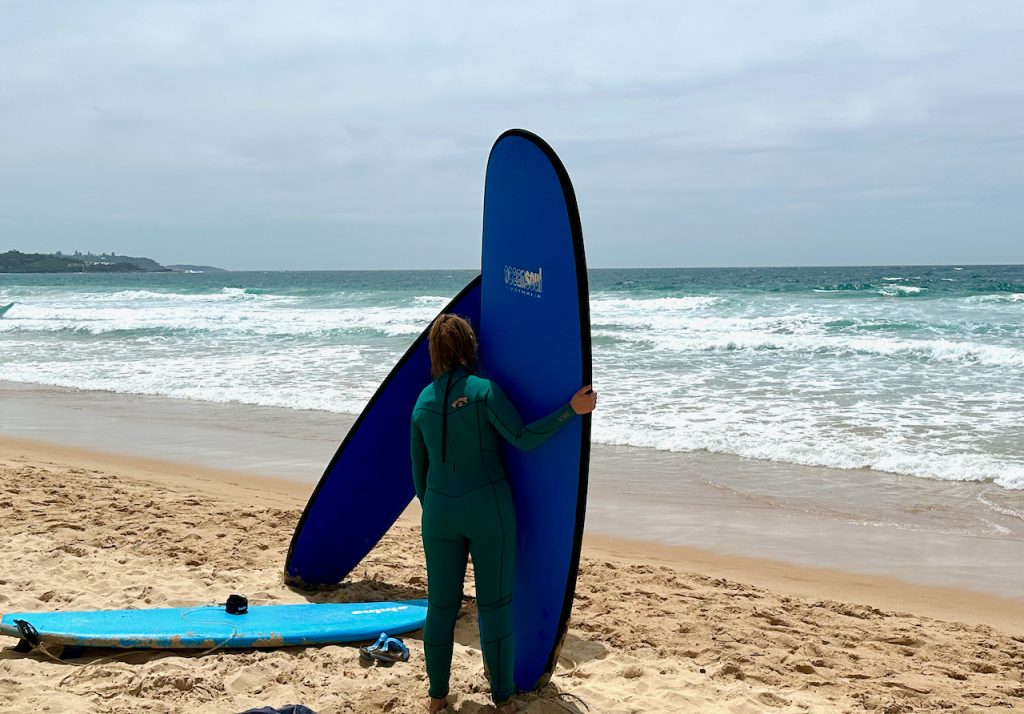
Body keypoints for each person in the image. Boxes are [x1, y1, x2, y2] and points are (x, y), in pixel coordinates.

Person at [411, 314, 597, 713]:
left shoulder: (421, 402)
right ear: (468, 346)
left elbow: (418, 476)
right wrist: (571, 410)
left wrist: (443, 513)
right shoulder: (484, 392)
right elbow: (523, 438)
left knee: (440, 606)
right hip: (488, 509)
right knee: (494, 604)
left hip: (439, 514)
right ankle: (503, 697)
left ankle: (437, 697)